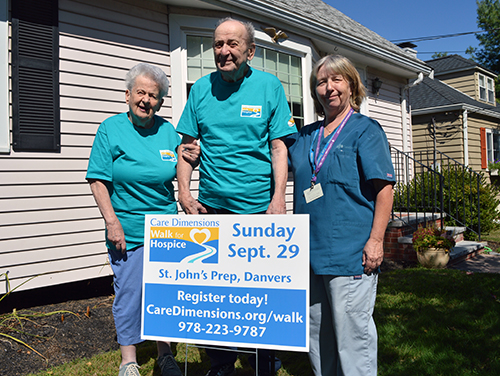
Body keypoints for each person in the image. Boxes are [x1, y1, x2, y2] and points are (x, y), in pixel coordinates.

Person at [175, 17, 297, 376]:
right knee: (217, 297)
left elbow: (278, 147)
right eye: (218, 44)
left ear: (250, 50)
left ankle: (264, 360)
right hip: (212, 209)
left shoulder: (269, 86)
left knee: (261, 294)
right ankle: (221, 363)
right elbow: (186, 147)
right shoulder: (200, 89)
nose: (224, 51)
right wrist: (184, 193)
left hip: (259, 209)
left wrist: (278, 200)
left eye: (232, 44)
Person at [86, 63, 199, 376]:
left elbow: (183, 165)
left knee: (164, 293)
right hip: (128, 229)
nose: (147, 100)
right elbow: (97, 180)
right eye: (141, 93)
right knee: (130, 294)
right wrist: (112, 222)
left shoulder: (167, 132)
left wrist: (192, 158)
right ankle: (128, 360)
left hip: (166, 228)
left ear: (160, 102)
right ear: (127, 95)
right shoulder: (111, 129)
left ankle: (165, 354)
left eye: (154, 95)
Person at [286, 55, 395, 376]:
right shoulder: (305, 136)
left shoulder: (365, 130)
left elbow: (384, 190)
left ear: (351, 85)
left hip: (351, 253)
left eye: (336, 80)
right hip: (307, 254)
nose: (328, 88)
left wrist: (376, 240)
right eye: (321, 82)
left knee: (353, 338)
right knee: (317, 333)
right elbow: (273, 159)